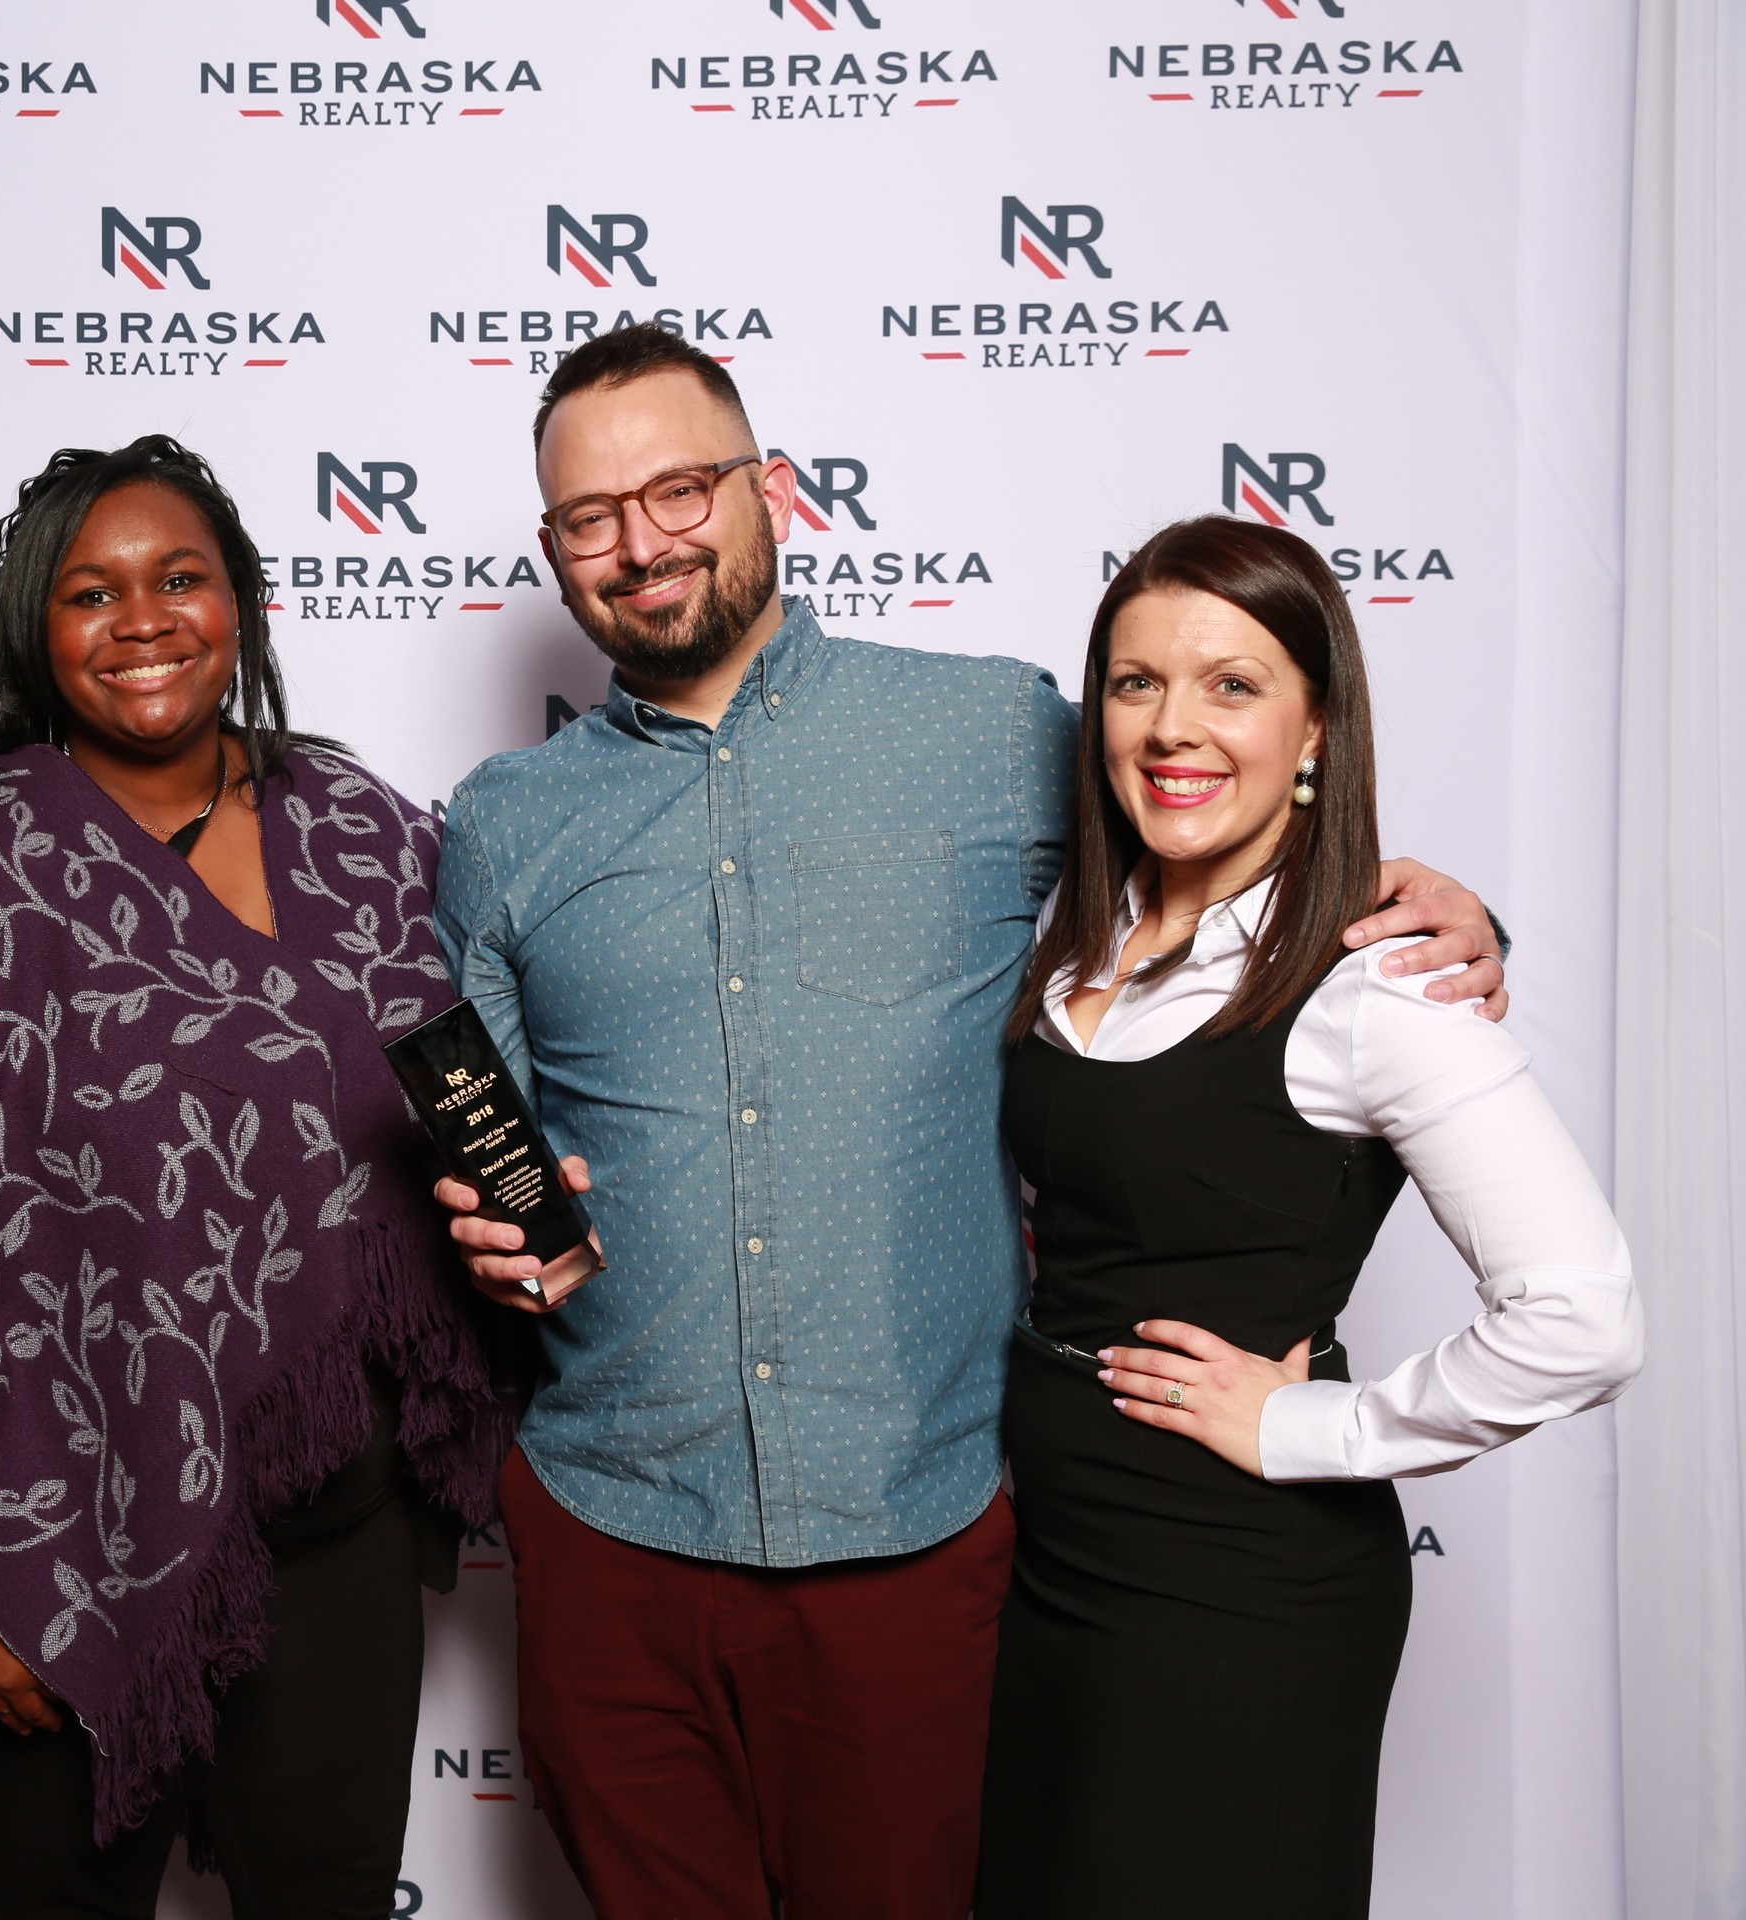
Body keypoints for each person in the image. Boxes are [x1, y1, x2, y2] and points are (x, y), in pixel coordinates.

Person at [429, 325, 1513, 1920]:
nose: (641, 543)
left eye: (678, 491)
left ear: (769, 490)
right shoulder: (503, 821)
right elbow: (495, 1146)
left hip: (917, 1527)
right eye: (590, 517)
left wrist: (1436, 905)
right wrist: (496, 1236)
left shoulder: (996, 733)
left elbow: (1218, 823)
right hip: (611, 1531)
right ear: (553, 549)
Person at [0, 437, 515, 1920]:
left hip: (335, 1518)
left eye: (179, 578)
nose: (142, 619)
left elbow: (474, 1089)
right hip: (57, 1532)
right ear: (37, 631)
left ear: (240, 605)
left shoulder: (362, 826)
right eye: (92, 592)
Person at [972, 515, 1639, 1915]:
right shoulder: (1078, 932)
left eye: (1233, 684)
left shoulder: (1382, 986)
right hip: (1059, 1559)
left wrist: (1314, 1430)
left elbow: (1584, 1318)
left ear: (1317, 726)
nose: (1175, 726)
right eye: (1138, 682)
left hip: (1240, 1585)